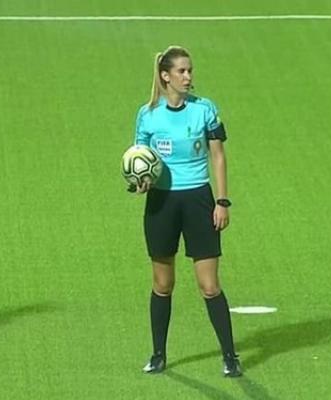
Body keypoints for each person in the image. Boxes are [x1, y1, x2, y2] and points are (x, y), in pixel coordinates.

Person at [132, 46, 241, 377]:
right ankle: (158, 354)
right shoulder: (147, 115)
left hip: (198, 201)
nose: (188, 76)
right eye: (182, 71)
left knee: (209, 285)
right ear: (166, 76)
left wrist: (222, 201)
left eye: (190, 70)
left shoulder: (204, 109)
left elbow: (217, 156)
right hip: (161, 204)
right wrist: (141, 183)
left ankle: (230, 356)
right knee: (162, 283)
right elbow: (140, 158)